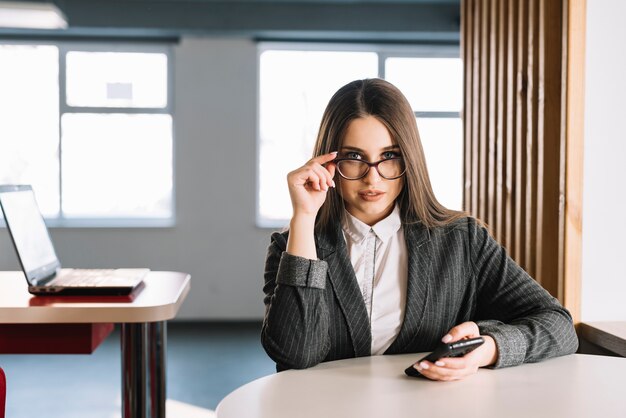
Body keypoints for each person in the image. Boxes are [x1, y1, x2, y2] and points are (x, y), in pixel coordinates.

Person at [261, 78, 578, 381]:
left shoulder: (462, 241)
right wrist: (303, 216)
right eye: (354, 157)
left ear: (409, 157)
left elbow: (559, 325)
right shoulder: (295, 246)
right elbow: (295, 355)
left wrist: (488, 348)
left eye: (390, 156)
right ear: (328, 160)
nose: (373, 179)